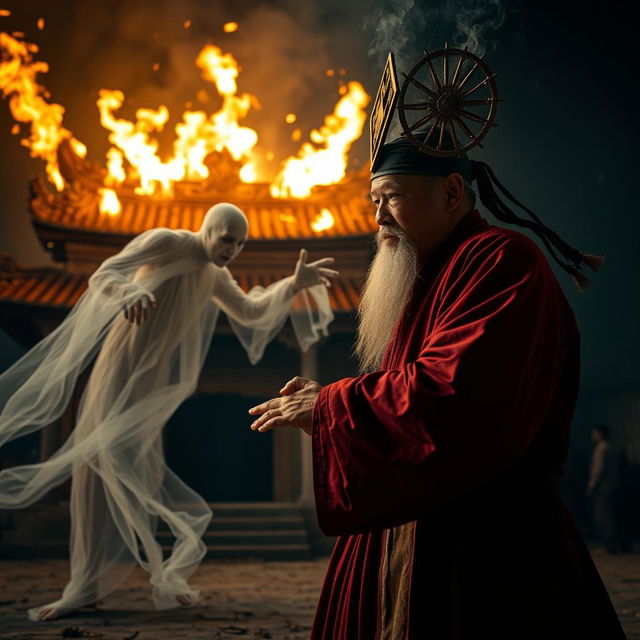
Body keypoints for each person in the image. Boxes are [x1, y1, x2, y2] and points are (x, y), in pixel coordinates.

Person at [248, 129, 626, 638]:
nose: (378, 217)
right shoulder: (420, 275)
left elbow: (454, 395)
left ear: (450, 192)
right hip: (397, 530)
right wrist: (337, 421)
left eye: (394, 198)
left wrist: (334, 407)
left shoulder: (501, 261)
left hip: (486, 548)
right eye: (374, 200)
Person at [0, 203, 339, 621]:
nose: (232, 249)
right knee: (94, 466)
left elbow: (250, 312)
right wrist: (129, 290)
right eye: (227, 238)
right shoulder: (167, 242)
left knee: (132, 468)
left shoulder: (215, 275)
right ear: (207, 229)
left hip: (153, 384)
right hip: (119, 367)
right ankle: (83, 587)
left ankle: (147, 576)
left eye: (240, 243)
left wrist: (293, 283)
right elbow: (106, 272)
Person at [588, 424, 631, 554]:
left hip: (605, 488)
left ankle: (609, 545)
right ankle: (619, 544)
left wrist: (591, 486)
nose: (593, 435)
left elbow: (598, 470)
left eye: (594, 433)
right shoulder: (611, 447)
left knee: (605, 517)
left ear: (600, 434)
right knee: (614, 517)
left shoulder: (601, 449)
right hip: (614, 487)